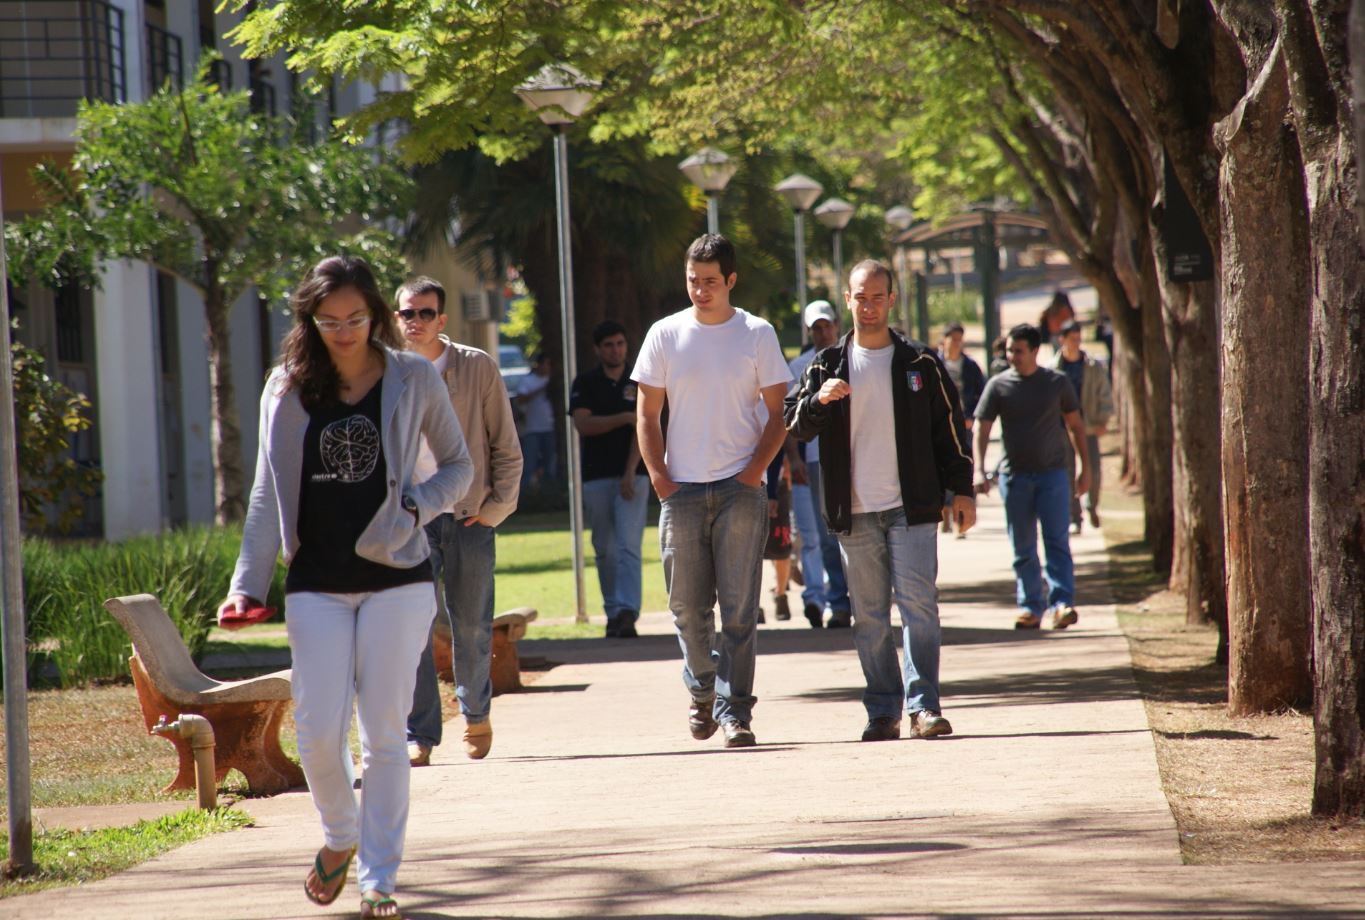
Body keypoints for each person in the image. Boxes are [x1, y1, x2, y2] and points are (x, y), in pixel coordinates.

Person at [218, 256, 474, 920]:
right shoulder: (287, 386)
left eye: (356, 319)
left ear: (378, 317)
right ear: (308, 319)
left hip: (398, 579)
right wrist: (247, 585)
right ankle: (339, 836)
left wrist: (415, 508)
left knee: (385, 732)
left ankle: (378, 877)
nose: (343, 332)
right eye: (328, 321)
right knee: (317, 733)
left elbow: (457, 466)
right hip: (317, 583)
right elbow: (267, 491)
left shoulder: (412, 375)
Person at [785, 260, 976, 742]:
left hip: (911, 507)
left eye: (877, 297)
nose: (867, 305)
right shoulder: (826, 364)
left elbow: (950, 431)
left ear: (891, 300)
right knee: (869, 615)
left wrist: (964, 490)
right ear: (846, 300)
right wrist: (818, 401)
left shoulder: (919, 362)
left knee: (919, 607)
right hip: (855, 510)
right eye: (859, 296)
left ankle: (924, 706)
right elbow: (795, 424)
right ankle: (883, 709)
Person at [633, 233, 791, 749]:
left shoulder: (756, 333)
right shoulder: (664, 334)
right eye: (692, 281)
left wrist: (753, 474)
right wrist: (659, 477)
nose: (700, 291)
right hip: (680, 490)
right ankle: (702, 689)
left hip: (739, 488)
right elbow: (647, 413)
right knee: (686, 605)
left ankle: (735, 712)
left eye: (710, 282)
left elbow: (778, 414)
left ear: (731, 281)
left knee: (739, 608)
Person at [397, 276, 523, 768]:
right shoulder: (389, 372)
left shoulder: (476, 367)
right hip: (412, 520)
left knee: (471, 625)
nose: (416, 322)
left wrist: (494, 509)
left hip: (470, 515)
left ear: (441, 320)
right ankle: (421, 732)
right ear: (396, 317)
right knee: (413, 627)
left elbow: (506, 446)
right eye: (408, 313)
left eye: (425, 313)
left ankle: (475, 715)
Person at [973, 323, 1092, 630]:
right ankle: (1030, 607)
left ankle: (1061, 604)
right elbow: (981, 428)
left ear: (1035, 351)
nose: (1012, 356)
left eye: (1018, 351)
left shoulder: (1057, 383)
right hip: (1015, 479)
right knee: (1023, 547)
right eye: (1009, 350)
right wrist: (978, 469)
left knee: (1057, 541)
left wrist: (1085, 468)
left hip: (1053, 475)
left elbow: (1077, 426)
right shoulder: (998, 386)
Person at [569, 320, 651, 638]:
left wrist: (630, 470)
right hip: (596, 476)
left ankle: (628, 611)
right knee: (604, 548)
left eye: (619, 343)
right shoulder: (586, 383)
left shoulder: (641, 380)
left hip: (635, 475)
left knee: (629, 545)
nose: (615, 350)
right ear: (597, 349)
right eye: (608, 345)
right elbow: (583, 425)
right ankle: (612, 611)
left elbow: (645, 429)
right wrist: (624, 418)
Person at [787, 300, 851, 629]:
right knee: (827, 536)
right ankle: (838, 603)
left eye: (827, 325)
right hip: (815, 462)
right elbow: (786, 419)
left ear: (837, 324)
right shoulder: (798, 365)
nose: (823, 332)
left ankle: (866, 602)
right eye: (816, 327)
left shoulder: (854, 357)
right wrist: (794, 458)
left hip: (855, 458)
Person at [1053, 319, 1113, 532]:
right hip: (1062, 429)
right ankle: (1074, 516)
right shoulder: (1053, 368)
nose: (1076, 343)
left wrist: (1104, 419)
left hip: (1087, 425)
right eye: (1072, 339)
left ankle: (1092, 505)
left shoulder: (1092, 366)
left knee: (1094, 470)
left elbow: (1104, 393)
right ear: (1062, 340)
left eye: (1079, 339)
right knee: (1067, 471)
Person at [937, 321, 986, 537]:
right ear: (944, 340)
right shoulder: (934, 363)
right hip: (939, 426)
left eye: (960, 340)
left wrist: (972, 416)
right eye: (953, 339)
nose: (957, 344)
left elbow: (982, 394)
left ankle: (961, 520)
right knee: (941, 469)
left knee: (963, 469)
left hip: (964, 426)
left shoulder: (970, 366)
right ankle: (945, 513)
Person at [515, 351, 556, 489]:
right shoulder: (528, 381)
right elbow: (520, 399)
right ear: (539, 365)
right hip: (532, 429)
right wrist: (541, 389)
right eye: (546, 364)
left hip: (550, 428)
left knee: (550, 465)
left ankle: (550, 494)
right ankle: (526, 498)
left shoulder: (554, 381)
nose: (549, 367)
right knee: (529, 465)